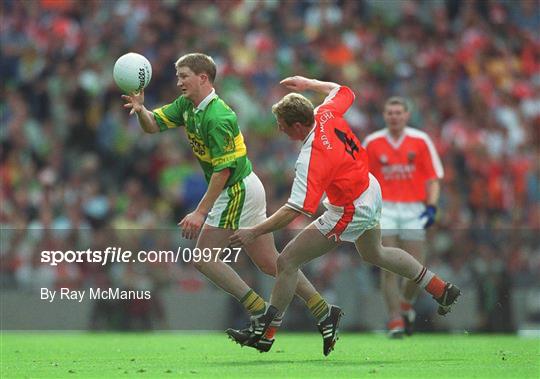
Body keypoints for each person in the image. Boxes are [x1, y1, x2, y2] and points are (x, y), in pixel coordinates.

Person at [227, 76, 461, 355]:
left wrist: (255, 231)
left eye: (282, 125)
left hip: (350, 207)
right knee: (376, 253)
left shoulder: (312, 156)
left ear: (299, 125)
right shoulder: (324, 113)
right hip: (368, 188)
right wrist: (307, 83)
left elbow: (296, 209)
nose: (279, 130)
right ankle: (439, 287)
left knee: (287, 260)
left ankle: (267, 332)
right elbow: (344, 90)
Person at [122, 54, 336, 352]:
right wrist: (141, 108)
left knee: (203, 257)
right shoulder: (188, 106)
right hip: (244, 186)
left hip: (235, 188)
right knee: (269, 263)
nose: (179, 81)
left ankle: (260, 311)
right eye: (178, 76)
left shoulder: (219, 116)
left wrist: (200, 211)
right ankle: (323, 311)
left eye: (184, 75)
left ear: (203, 78)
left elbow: (222, 171)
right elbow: (152, 126)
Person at [362, 97, 444, 337]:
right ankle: (395, 319)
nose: (394, 116)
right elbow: (363, 179)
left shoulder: (420, 141)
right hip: (384, 208)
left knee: (416, 269)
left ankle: (406, 304)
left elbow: (433, 178)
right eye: (390, 113)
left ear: (407, 115)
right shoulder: (373, 142)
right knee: (388, 266)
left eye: (398, 112)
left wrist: (431, 207)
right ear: (384, 116)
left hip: (412, 210)